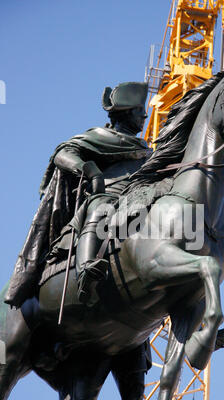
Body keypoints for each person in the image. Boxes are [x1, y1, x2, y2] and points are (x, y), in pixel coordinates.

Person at [5, 81, 150, 308]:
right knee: (100, 207)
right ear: (129, 112)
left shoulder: (146, 149)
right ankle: (85, 272)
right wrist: (91, 171)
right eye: (141, 111)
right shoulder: (100, 136)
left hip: (137, 200)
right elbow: (63, 154)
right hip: (105, 197)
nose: (146, 116)